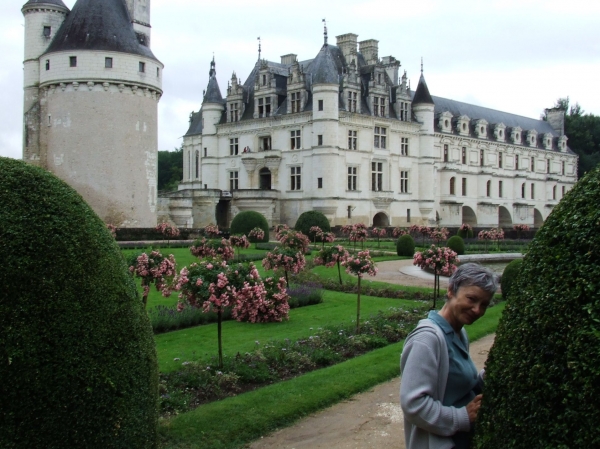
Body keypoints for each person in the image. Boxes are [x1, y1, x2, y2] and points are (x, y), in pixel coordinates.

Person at [400, 263, 498, 449]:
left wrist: (488, 375)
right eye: (471, 299)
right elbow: (413, 404)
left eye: (484, 304)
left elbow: (458, 389)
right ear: (451, 291)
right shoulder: (427, 339)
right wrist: (462, 417)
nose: (477, 310)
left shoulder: (459, 333)